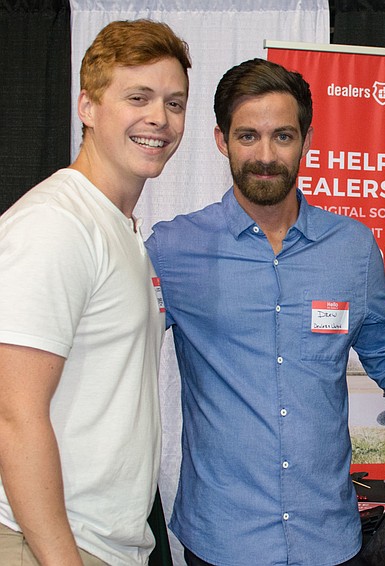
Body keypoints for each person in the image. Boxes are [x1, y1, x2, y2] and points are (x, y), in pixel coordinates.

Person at [145, 58, 385, 566]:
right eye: (247, 136)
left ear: (307, 138)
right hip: (222, 539)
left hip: (330, 539)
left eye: (282, 136)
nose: (265, 155)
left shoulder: (354, 248)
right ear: (221, 140)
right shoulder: (173, 250)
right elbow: (116, 357)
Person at [0, 19, 190, 566]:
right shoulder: (55, 225)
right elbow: (14, 415)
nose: (159, 118)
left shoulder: (120, 230)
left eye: (174, 103)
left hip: (99, 543)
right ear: (87, 106)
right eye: (138, 97)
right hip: (46, 545)